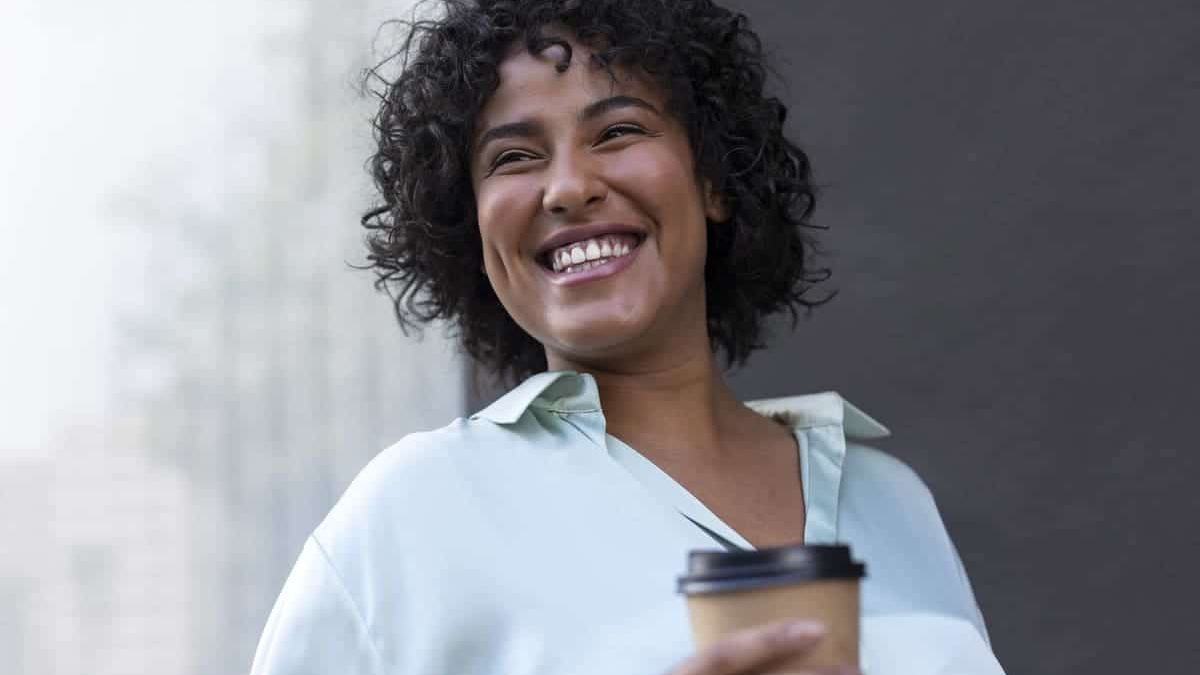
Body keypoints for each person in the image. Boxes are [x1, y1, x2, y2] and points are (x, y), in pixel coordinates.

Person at [250, 1, 1005, 673]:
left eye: (617, 131)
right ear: (469, 225)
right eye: (514, 156)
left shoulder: (893, 502)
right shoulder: (409, 518)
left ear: (713, 180)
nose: (568, 186)